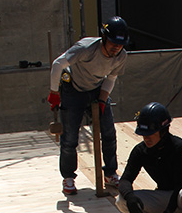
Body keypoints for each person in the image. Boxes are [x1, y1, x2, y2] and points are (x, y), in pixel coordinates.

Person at [48, 16, 129, 196]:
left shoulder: (121, 56)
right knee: (70, 138)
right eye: (113, 42)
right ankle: (68, 178)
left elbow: (111, 78)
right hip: (73, 90)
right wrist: (54, 93)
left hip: (97, 89)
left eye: (120, 44)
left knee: (108, 133)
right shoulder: (86, 48)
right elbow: (58, 64)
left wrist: (102, 100)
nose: (116, 47)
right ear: (104, 38)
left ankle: (110, 173)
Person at [116, 102, 182, 213]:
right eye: (143, 134)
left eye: (150, 134)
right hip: (166, 198)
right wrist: (130, 197)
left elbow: (181, 185)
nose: (146, 138)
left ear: (163, 131)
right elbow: (125, 179)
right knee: (121, 201)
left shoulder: (179, 148)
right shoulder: (140, 151)